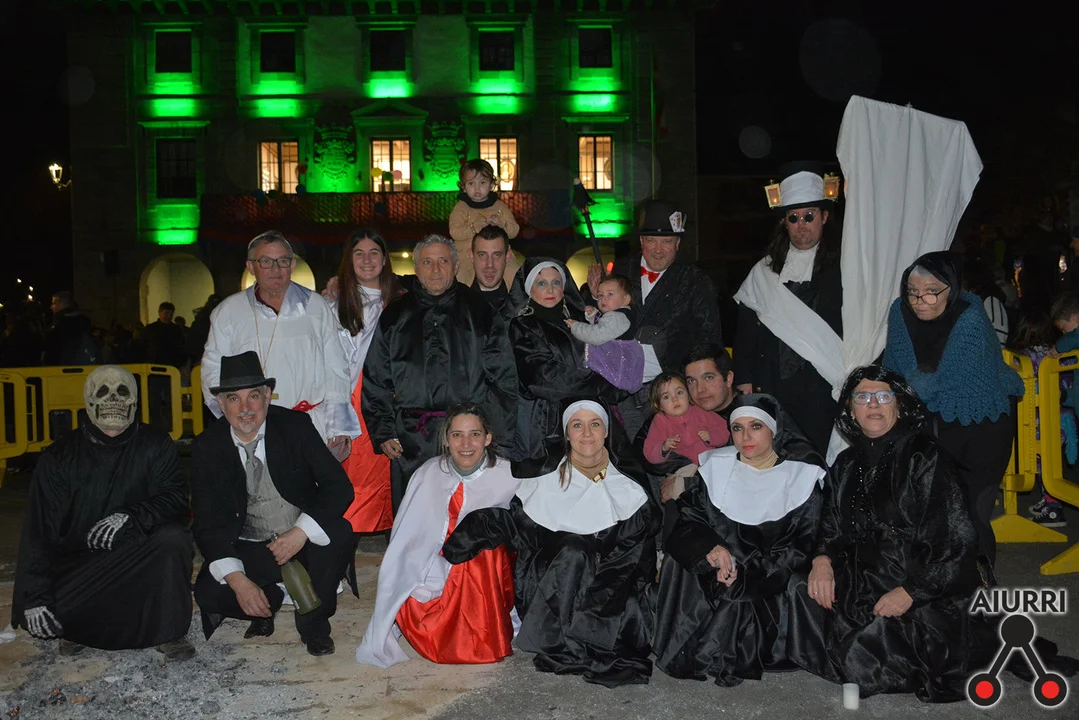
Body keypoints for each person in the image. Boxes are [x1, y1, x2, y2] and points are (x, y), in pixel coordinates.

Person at [791, 366, 1015, 701]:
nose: (873, 405)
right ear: (851, 409)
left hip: (922, 585)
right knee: (799, 589)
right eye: (862, 397)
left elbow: (954, 540)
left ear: (899, 405)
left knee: (871, 648)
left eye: (883, 396)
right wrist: (822, 560)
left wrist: (910, 592)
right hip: (862, 580)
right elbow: (831, 525)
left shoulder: (925, 456)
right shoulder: (846, 463)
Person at [444, 400, 658, 687]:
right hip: (555, 588)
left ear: (606, 432)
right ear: (566, 433)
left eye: (595, 425)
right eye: (577, 425)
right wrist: (470, 532)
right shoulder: (544, 481)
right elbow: (517, 528)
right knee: (573, 550)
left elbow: (635, 558)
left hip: (611, 588)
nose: (586, 433)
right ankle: (565, 640)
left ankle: (588, 636)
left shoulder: (630, 488)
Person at [11, 366, 194, 661]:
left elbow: (176, 498)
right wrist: (34, 596)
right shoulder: (59, 456)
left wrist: (132, 516)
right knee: (47, 612)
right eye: (103, 392)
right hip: (83, 569)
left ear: (134, 401)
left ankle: (167, 630)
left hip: (137, 558)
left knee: (173, 538)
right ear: (88, 400)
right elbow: (40, 530)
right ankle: (78, 623)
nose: (113, 400)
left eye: (122, 392)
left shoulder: (155, 443)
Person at [654, 394, 825, 687]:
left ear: (774, 430)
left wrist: (747, 575)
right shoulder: (716, 470)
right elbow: (690, 520)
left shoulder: (800, 479)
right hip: (717, 567)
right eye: (737, 428)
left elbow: (800, 547)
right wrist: (711, 549)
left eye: (756, 426)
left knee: (740, 597)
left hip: (768, 577)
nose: (745, 437)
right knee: (679, 559)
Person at [190, 352, 355, 656]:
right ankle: (268, 600)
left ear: (267, 396)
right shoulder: (206, 446)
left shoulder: (295, 426)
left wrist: (300, 532)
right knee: (208, 593)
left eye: (253, 396)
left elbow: (339, 487)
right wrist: (238, 581)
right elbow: (205, 522)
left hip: (299, 539)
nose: (245, 409)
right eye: (234, 399)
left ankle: (313, 624)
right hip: (249, 545)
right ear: (221, 404)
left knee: (340, 532)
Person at [883, 252, 1023, 565]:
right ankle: (935, 582)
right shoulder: (900, 312)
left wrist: (908, 388)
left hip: (981, 426)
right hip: (929, 424)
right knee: (929, 511)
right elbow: (893, 369)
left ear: (952, 287)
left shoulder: (970, 318)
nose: (920, 301)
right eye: (913, 291)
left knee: (972, 512)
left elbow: (944, 380)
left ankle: (980, 582)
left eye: (932, 291)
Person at [355, 404, 518, 667]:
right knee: (407, 583)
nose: (466, 444)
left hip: (484, 575)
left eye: (475, 434)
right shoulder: (429, 473)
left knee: (484, 551)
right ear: (446, 439)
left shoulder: (507, 475)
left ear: (488, 438)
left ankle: (484, 639)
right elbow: (406, 536)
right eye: (457, 435)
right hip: (433, 564)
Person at [362, 234, 517, 510]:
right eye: (427, 262)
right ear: (416, 267)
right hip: (411, 441)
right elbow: (376, 378)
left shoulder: (480, 311)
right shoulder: (395, 315)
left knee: (469, 517)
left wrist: (497, 437)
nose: (435, 270)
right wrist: (383, 430)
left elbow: (503, 379)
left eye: (443, 261)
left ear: (456, 266)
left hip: (468, 439)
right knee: (416, 516)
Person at [201, 231, 358, 455]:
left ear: (292, 265)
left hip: (310, 424)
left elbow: (336, 367)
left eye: (282, 261)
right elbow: (213, 369)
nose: (275, 269)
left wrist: (338, 425)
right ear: (251, 266)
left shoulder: (315, 306)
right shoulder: (228, 312)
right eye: (265, 261)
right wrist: (229, 419)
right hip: (251, 428)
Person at [589, 201, 722, 439]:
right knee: (625, 452)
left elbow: (709, 339)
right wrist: (594, 295)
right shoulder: (621, 270)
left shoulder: (695, 281)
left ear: (678, 243)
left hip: (670, 392)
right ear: (641, 241)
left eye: (667, 241)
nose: (658, 250)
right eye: (651, 240)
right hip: (619, 387)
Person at [733, 164, 842, 453]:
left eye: (809, 216)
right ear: (784, 222)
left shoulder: (845, 268)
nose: (801, 224)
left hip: (824, 383)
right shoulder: (764, 271)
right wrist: (744, 379)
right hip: (774, 383)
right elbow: (746, 330)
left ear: (824, 217)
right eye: (793, 217)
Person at [329, 229, 402, 534]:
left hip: (387, 399)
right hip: (349, 400)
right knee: (354, 475)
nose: (367, 260)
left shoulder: (400, 303)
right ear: (350, 260)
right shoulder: (334, 304)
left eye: (374, 253)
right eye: (359, 253)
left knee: (387, 473)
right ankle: (348, 537)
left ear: (385, 260)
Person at [509, 258, 618, 461]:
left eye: (556, 282)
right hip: (545, 423)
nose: (550, 289)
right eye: (542, 283)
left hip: (588, 415)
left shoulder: (579, 321)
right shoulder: (524, 326)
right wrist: (600, 384)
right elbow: (543, 377)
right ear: (530, 289)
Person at [566, 274, 645, 392]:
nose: (603, 298)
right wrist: (595, 315)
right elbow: (606, 327)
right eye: (600, 295)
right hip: (618, 370)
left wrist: (576, 326)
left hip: (616, 374)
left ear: (626, 300)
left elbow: (596, 336)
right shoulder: (620, 315)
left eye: (610, 294)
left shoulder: (617, 317)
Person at [449, 159, 521, 287]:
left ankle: (521, 298)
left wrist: (502, 226)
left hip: (497, 253)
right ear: (463, 187)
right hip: (467, 254)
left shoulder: (499, 206)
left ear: (491, 184)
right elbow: (454, 232)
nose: (477, 188)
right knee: (460, 279)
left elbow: (514, 230)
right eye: (471, 183)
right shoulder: (461, 208)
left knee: (515, 274)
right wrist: (473, 228)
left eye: (482, 182)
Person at [644, 371, 730, 468]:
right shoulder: (660, 421)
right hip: (683, 467)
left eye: (679, 393)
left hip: (712, 460)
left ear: (688, 395)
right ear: (658, 405)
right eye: (666, 397)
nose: (675, 399)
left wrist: (712, 436)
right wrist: (663, 447)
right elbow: (649, 452)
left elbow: (725, 429)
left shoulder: (700, 410)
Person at [468, 224, 518, 322]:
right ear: (471, 256)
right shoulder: (457, 308)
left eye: (497, 255)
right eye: (482, 255)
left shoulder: (522, 307)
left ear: (508, 256)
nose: (490, 264)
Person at [683, 343, 741, 423]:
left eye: (709, 378)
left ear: (728, 379)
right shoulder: (685, 419)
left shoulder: (752, 415)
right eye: (691, 381)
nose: (700, 389)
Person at [42, 290, 98, 365]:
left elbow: (53, 350)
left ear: (63, 304)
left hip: (61, 368)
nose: (51, 307)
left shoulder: (62, 324)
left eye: (54, 303)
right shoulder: (82, 322)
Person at [143, 301, 186, 368]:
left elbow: (181, 347)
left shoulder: (176, 329)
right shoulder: (150, 328)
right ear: (159, 313)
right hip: (154, 364)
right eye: (166, 313)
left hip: (172, 365)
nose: (169, 316)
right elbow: (144, 346)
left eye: (171, 314)